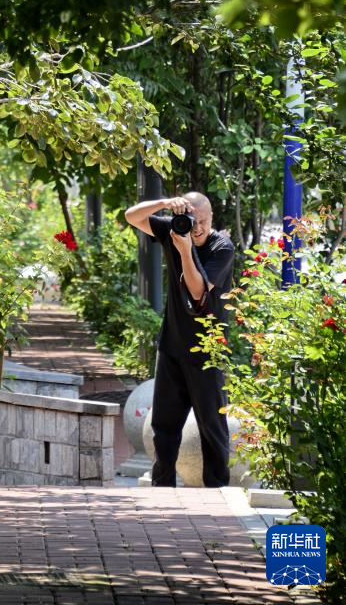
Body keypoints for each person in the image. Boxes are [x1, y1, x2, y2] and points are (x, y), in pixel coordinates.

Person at [125, 191, 235, 487]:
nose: (197, 228)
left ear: (211, 218)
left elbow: (198, 291)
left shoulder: (221, 247)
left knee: (212, 426)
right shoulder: (176, 229)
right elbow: (131, 216)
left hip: (208, 349)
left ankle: (217, 493)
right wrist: (164, 203)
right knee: (164, 427)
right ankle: (163, 489)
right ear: (181, 217)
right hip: (172, 345)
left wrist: (185, 251)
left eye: (203, 221)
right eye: (191, 221)